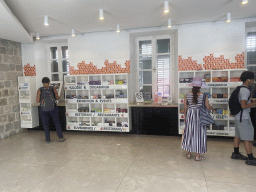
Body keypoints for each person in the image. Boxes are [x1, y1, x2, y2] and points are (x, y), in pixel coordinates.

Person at [182, 76, 212, 161]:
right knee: (199, 135)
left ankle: (188, 153)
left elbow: (185, 107)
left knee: (190, 133)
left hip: (190, 115)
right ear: (200, 86)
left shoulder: (187, 95)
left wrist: (185, 117)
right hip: (200, 116)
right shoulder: (203, 96)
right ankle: (197, 156)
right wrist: (211, 107)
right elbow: (208, 107)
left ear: (192, 86)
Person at [231, 71, 256, 166]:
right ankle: (250, 158)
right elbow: (243, 106)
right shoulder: (245, 90)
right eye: (252, 78)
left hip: (238, 117)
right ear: (249, 79)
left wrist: (252, 101)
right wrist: (254, 103)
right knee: (247, 138)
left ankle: (236, 153)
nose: (253, 80)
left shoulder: (240, 88)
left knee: (237, 135)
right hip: (244, 117)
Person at [36, 77, 66, 144]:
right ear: (49, 82)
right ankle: (60, 137)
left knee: (45, 124)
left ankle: (47, 139)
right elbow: (57, 98)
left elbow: (37, 101)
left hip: (43, 110)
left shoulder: (40, 90)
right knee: (57, 123)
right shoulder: (53, 88)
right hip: (53, 109)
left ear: (42, 83)